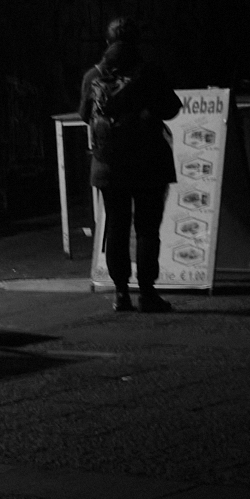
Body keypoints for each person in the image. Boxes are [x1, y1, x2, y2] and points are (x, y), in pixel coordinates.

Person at [76, 18, 184, 312]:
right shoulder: (151, 73)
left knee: (117, 226)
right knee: (148, 229)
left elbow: (85, 115)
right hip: (150, 163)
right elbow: (172, 109)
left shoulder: (93, 75)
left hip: (108, 165)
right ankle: (147, 293)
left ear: (107, 43)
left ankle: (120, 293)